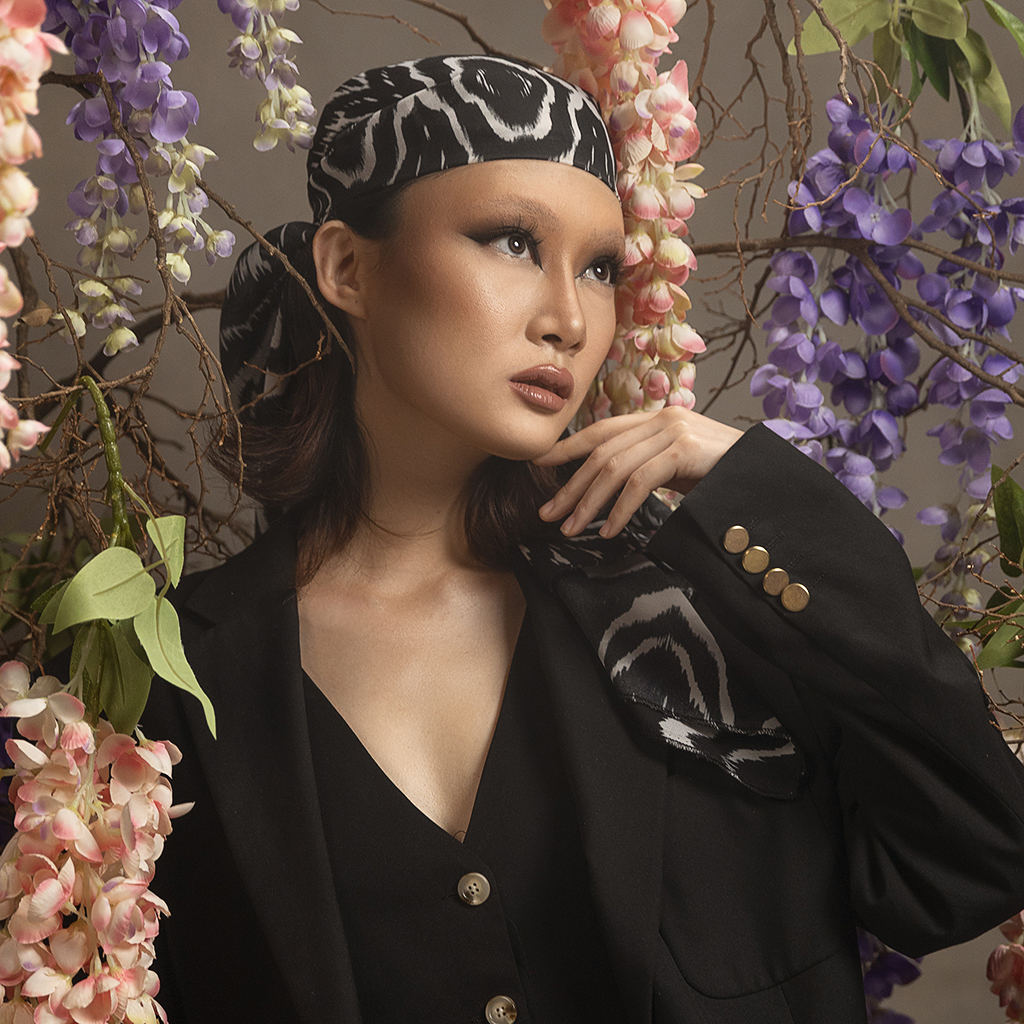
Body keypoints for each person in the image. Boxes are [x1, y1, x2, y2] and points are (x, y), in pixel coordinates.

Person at [143, 55, 1024, 1024]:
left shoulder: (704, 598)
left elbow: (973, 858)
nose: (567, 316)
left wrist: (768, 496)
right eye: (512, 241)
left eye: (601, 267)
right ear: (349, 267)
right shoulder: (182, 671)